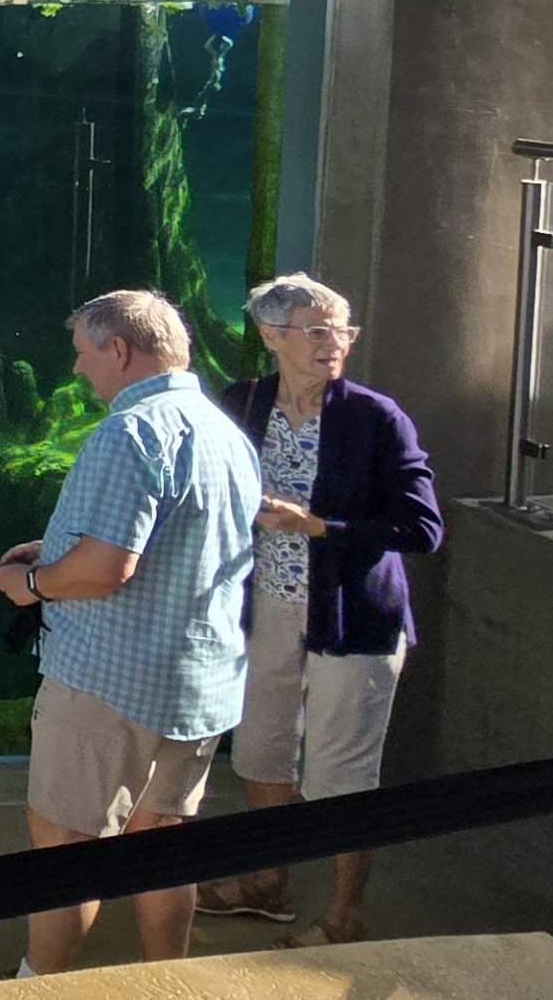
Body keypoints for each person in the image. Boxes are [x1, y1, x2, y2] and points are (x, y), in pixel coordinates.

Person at [0, 291, 260, 978]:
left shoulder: (129, 432)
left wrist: (35, 585)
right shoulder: (226, 432)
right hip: (197, 686)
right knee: (162, 849)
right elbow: (178, 542)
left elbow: (110, 566)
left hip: (107, 685)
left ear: (119, 350)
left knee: (67, 849)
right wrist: (53, 547)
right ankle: (164, 983)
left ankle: (37, 989)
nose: (79, 369)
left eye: (84, 353)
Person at [193, 275, 442, 948]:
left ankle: (342, 916)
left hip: (352, 620)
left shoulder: (375, 416)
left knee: (342, 775)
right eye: (319, 330)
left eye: (344, 330)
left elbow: (423, 530)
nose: (337, 343)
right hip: (263, 609)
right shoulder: (240, 402)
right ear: (273, 337)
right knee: (262, 753)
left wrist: (322, 527)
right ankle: (270, 883)